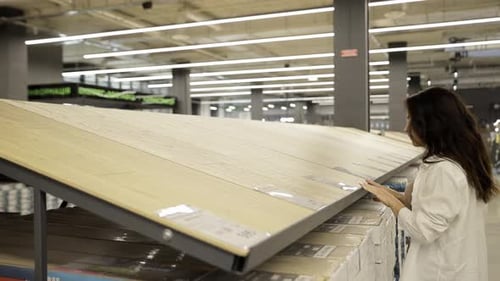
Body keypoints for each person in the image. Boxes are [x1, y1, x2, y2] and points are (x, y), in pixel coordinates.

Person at [361, 87, 497, 281]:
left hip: (442, 272)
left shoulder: (444, 171)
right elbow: (428, 206)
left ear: (431, 125)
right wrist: (389, 193)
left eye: (411, 120)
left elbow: (424, 230)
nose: (405, 128)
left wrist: (393, 203)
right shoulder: (454, 162)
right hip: (457, 267)